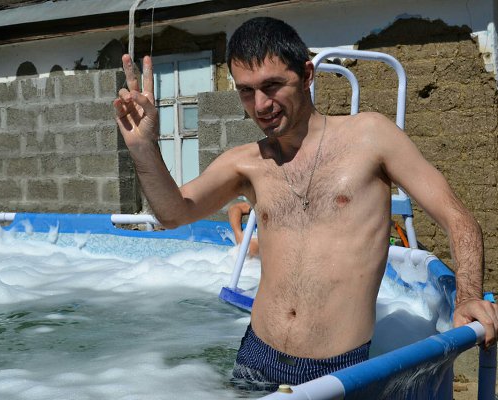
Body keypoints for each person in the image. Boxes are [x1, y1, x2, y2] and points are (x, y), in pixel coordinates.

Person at [113, 17, 498, 389]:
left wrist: (467, 297)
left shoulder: (371, 138)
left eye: (272, 85)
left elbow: (458, 218)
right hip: (256, 358)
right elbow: (174, 213)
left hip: (337, 369)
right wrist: (144, 148)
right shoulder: (246, 163)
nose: (260, 104)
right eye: (246, 91)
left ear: (307, 75)